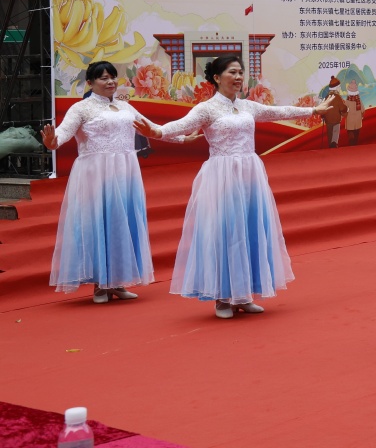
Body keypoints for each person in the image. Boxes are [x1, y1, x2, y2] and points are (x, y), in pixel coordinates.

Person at [136, 56, 336, 318]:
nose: (239, 77)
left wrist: (312, 111)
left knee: (248, 229)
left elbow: (278, 111)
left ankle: (244, 294)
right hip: (221, 176)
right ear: (217, 78)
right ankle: (222, 297)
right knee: (225, 232)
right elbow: (180, 126)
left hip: (250, 174)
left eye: (241, 72)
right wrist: (157, 132)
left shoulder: (247, 106)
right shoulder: (206, 109)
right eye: (233, 72)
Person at [42, 62, 180, 303]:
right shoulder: (81, 108)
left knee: (122, 222)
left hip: (125, 171)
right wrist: (52, 142)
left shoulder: (126, 107)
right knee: (98, 223)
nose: (110, 82)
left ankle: (116, 281)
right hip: (95, 173)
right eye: (103, 78)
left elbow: (152, 129)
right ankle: (99, 284)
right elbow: (62, 135)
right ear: (90, 83)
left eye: (113, 77)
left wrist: (181, 138)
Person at [321, 76, 349, 148]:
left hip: (328, 120)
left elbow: (323, 108)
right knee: (335, 133)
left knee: (330, 133)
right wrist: (346, 109)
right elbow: (342, 107)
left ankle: (331, 145)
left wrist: (323, 115)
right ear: (336, 87)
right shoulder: (337, 97)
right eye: (339, 87)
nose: (339, 88)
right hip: (336, 120)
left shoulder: (327, 97)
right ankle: (334, 143)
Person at [344, 79, 364, 146]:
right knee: (356, 134)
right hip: (358, 120)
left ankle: (352, 145)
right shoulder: (358, 100)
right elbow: (363, 110)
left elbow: (344, 110)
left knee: (350, 134)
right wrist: (362, 115)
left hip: (350, 121)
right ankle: (355, 145)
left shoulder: (347, 101)